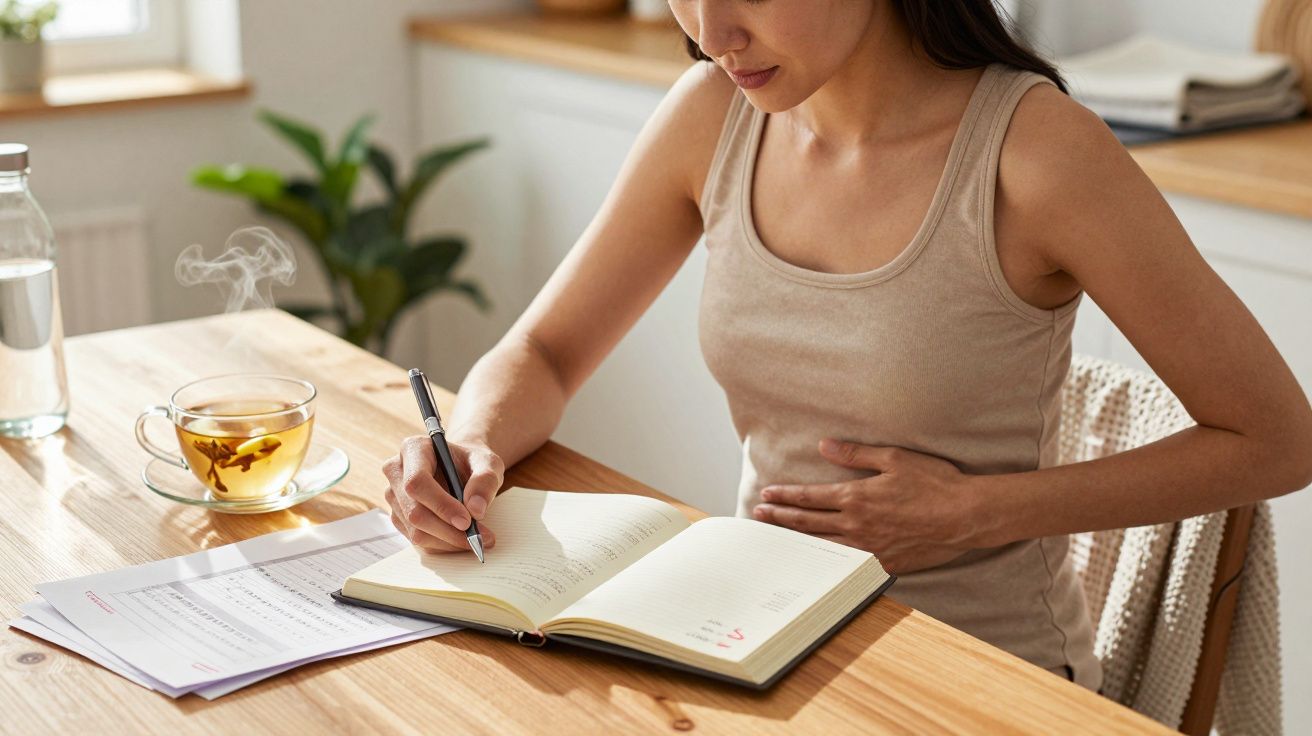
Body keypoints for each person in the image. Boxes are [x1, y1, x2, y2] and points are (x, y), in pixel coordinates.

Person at [381, 0, 1312, 690]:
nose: (711, 30)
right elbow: (545, 350)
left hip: (981, 677)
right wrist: (476, 443)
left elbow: (1276, 436)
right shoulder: (715, 114)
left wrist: (978, 512)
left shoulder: (1035, 152)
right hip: (757, 643)